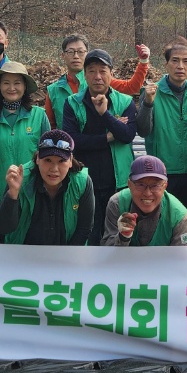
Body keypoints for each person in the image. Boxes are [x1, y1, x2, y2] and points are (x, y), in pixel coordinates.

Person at [62, 48, 137, 244]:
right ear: (84, 75)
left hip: (118, 181)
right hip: (85, 180)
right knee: (90, 232)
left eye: (103, 71)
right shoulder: (72, 103)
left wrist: (105, 114)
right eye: (92, 71)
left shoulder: (125, 101)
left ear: (111, 74)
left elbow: (127, 135)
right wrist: (107, 137)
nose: (98, 77)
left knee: (117, 233)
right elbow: (72, 140)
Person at [137, 37, 187, 227]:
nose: (180, 66)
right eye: (175, 60)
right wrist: (148, 102)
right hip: (163, 174)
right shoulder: (152, 92)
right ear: (166, 64)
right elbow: (142, 130)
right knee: (165, 224)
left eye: (186, 61)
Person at [0, 130, 95, 245]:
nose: (54, 169)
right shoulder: (20, 179)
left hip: (66, 254)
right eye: (48, 160)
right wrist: (13, 193)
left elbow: (84, 228)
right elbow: (4, 228)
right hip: (23, 252)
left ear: (71, 161)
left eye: (61, 161)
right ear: (37, 158)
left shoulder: (82, 182)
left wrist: (67, 258)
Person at [0, 61, 49, 205]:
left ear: (25, 86)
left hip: (33, 194)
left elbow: (48, 154)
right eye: (6, 83)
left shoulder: (39, 116)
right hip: (0, 195)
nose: (12, 88)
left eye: (17, 83)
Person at [44, 34, 151, 128]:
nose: (76, 56)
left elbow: (132, 87)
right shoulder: (53, 90)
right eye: (71, 52)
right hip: (66, 148)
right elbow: (50, 126)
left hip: (101, 146)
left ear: (87, 54)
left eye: (80, 52)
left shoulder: (99, 82)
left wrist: (143, 61)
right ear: (63, 55)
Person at [101, 156, 187, 246]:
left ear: (165, 186)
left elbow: (183, 259)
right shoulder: (118, 203)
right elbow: (108, 253)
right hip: (125, 262)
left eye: (155, 185)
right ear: (129, 185)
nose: (147, 193)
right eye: (141, 185)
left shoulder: (178, 215)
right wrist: (123, 237)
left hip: (164, 262)